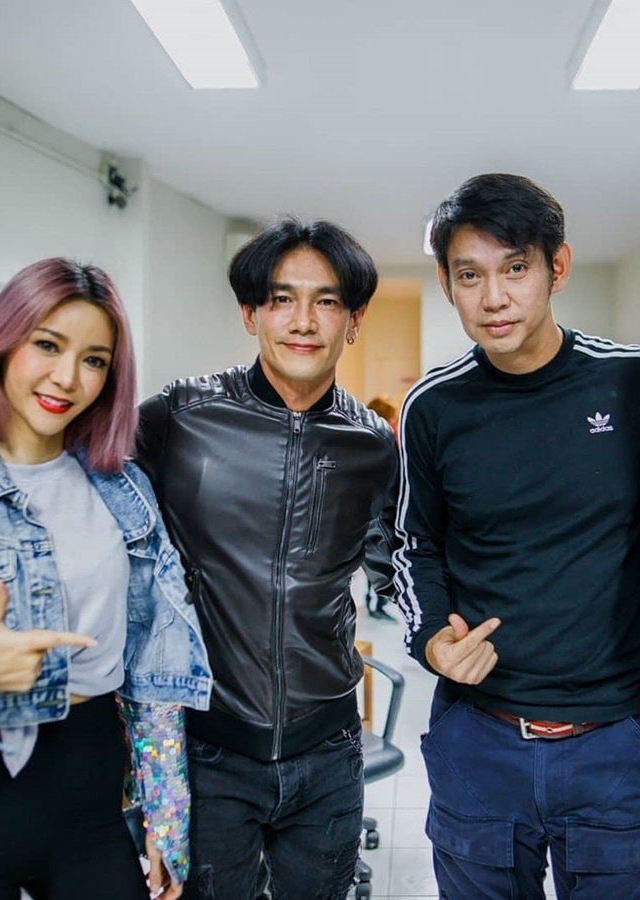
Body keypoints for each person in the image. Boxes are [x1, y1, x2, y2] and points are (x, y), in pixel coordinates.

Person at [394, 173, 640, 900]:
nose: (494, 298)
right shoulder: (433, 407)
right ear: (447, 284)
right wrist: (431, 640)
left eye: (515, 268)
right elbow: (413, 546)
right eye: (470, 275)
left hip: (611, 736)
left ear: (557, 267)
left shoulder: (635, 384)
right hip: (478, 735)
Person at [135, 218, 399, 900]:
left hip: (329, 750)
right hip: (210, 748)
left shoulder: (373, 445)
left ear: (353, 321)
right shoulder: (178, 418)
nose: (303, 321)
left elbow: (399, 567)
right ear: (251, 314)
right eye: (282, 299)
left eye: (327, 301)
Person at [0, 258, 212, 900]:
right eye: (48, 345)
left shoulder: (122, 489)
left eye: (94, 359)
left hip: (88, 794)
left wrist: (165, 817)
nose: (68, 378)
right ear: (1, 342)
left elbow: (152, 667)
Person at [364, 395, 399, 621]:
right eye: (392, 418)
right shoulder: (376, 446)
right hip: (374, 513)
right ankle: (375, 604)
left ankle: (377, 603)